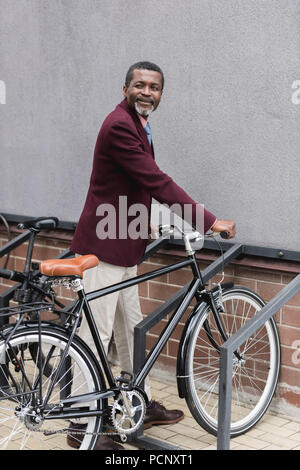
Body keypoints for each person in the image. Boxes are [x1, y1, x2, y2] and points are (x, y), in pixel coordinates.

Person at [68, 61, 236, 450]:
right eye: (140, 85)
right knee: (96, 336)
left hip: (125, 244)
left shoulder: (137, 122)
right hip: (102, 250)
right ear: (125, 87)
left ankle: (133, 401)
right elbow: (155, 180)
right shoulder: (118, 125)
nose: (147, 92)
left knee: (132, 331)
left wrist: (149, 223)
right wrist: (207, 221)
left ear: (161, 94)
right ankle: (81, 426)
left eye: (155, 87)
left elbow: (135, 183)